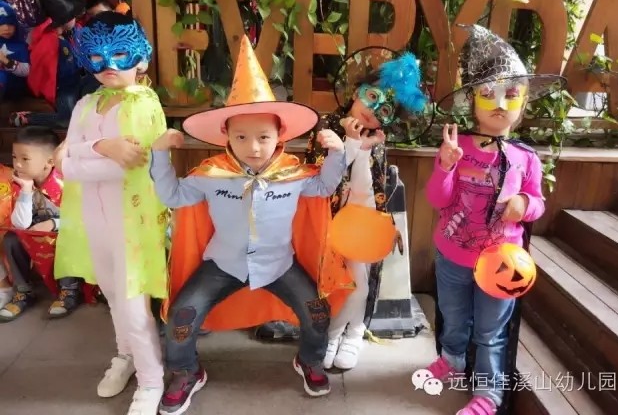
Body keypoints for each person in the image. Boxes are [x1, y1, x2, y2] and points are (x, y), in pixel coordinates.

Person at [152, 35, 354, 415]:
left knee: (317, 313)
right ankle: (185, 372)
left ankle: (310, 360)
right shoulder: (210, 175)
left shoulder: (294, 175)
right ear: (226, 137)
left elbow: (325, 187)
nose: (254, 147)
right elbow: (173, 196)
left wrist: (337, 152)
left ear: (280, 137)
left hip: (279, 265)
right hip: (222, 265)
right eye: (241, 137)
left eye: (264, 137)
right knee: (180, 317)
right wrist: (160, 154)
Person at [258, 47, 431, 371]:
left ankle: (350, 333)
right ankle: (334, 334)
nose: (373, 110)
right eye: (372, 97)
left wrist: (386, 222)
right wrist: (351, 145)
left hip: (362, 227)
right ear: (356, 92)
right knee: (332, 285)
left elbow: (375, 189)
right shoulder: (326, 127)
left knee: (360, 285)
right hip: (328, 224)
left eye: (385, 109)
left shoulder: (377, 141)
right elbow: (321, 180)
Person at [423, 24, 564, 415]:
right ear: (473, 103)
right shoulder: (457, 147)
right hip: (453, 254)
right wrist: (445, 166)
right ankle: (452, 361)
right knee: (453, 317)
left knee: (490, 331)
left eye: (511, 94)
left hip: (501, 263)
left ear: (522, 104)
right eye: (488, 94)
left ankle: (489, 392)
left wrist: (524, 204)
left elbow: (538, 203)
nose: (500, 104)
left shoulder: (526, 158)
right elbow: (437, 199)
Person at [53, 11, 169, 415]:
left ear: (141, 57)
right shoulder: (86, 104)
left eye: (120, 53)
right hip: (94, 221)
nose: (109, 65)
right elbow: (63, 162)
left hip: (132, 223)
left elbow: (131, 165)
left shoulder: (145, 103)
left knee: (134, 306)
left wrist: (76, 157)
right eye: (97, 56)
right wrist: (101, 147)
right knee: (114, 297)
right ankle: (126, 356)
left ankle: (151, 378)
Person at [0, 126, 85, 321]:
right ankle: (23, 291)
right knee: (12, 239)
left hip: (65, 234)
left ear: (50, 161)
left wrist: (54, 224)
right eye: (14, 157)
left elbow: (84, 218)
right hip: (35, 237)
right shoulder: (18, 184)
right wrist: (26, 191)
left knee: (68, 237)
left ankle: (69, 290)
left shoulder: (69, 182)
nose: (17, 164)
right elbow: (21, 224)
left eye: (25, 159)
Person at [9, 0, 90, 128]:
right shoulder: (50, 41)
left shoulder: (68, 36)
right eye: (73, 17)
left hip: (76, 82)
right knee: (66, 119)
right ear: (64, 20)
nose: (76, 20)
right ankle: (29, 118)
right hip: (63, 89)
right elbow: (42, 72)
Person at [0, 0, 29, 101]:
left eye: (11, 24)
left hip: (16, 94)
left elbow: (26, 71)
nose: (7, 28)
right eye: (1, 24)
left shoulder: (21, 45)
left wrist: (5, 60)